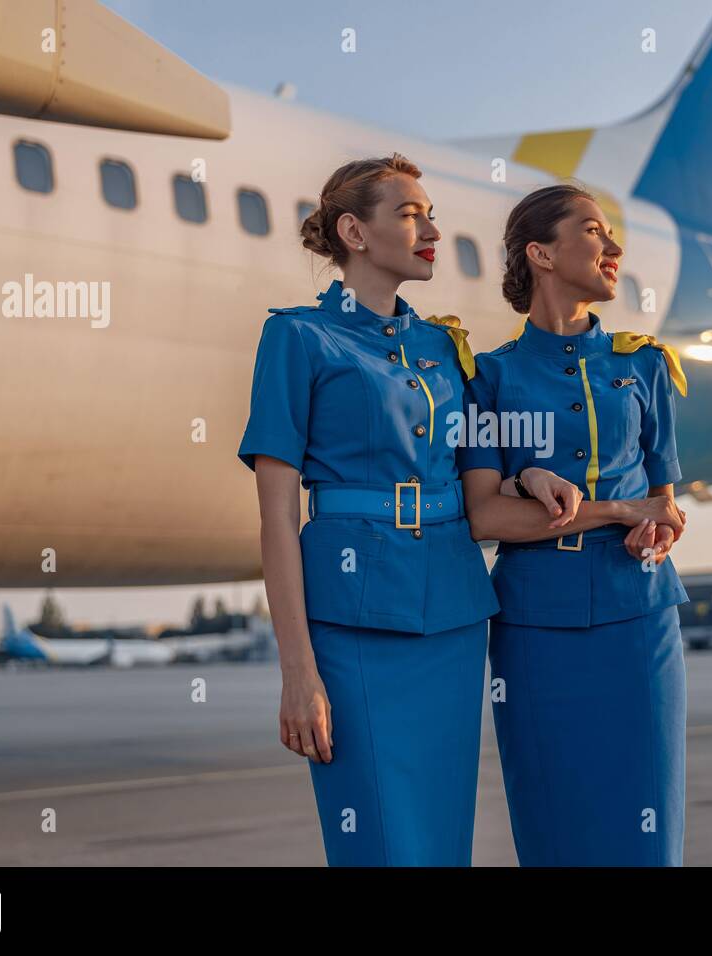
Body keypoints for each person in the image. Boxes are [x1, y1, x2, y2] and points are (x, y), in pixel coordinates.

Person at [237, 154, 499, 866]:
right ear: (353, 230)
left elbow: (480, 469)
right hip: (352, 619)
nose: (432, 229)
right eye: (411, 214)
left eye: (430, 213)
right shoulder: (296, 337)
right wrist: (298, 671)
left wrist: (532, 475)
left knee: (444, 839)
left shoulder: (444, 348)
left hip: (451, 610)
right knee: (379, 842)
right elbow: (276, 521)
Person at [460, 183, 691, 866]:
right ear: (541, 253)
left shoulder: (644, 363)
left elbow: (666, 505)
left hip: (639, 617)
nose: (614, 249)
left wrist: (659, 525)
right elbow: (483, 516)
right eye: (594, 232)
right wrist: (620, 511)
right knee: (553, 830)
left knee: (647, 829)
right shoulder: (488, 379)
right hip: (535, 628)